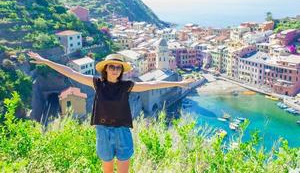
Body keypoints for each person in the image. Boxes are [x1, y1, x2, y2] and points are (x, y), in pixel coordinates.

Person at [27, 51, 195, 173]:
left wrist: (178, 84)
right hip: (103, 131)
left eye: (118, 67)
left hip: (122, 132)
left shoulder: (126, 85)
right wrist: (45, 61)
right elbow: (70, 72)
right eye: (111, 66)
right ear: (105, 69)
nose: (115, 69)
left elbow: (152, 85)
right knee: (107, 170)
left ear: (121, 70)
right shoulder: (97, 83)